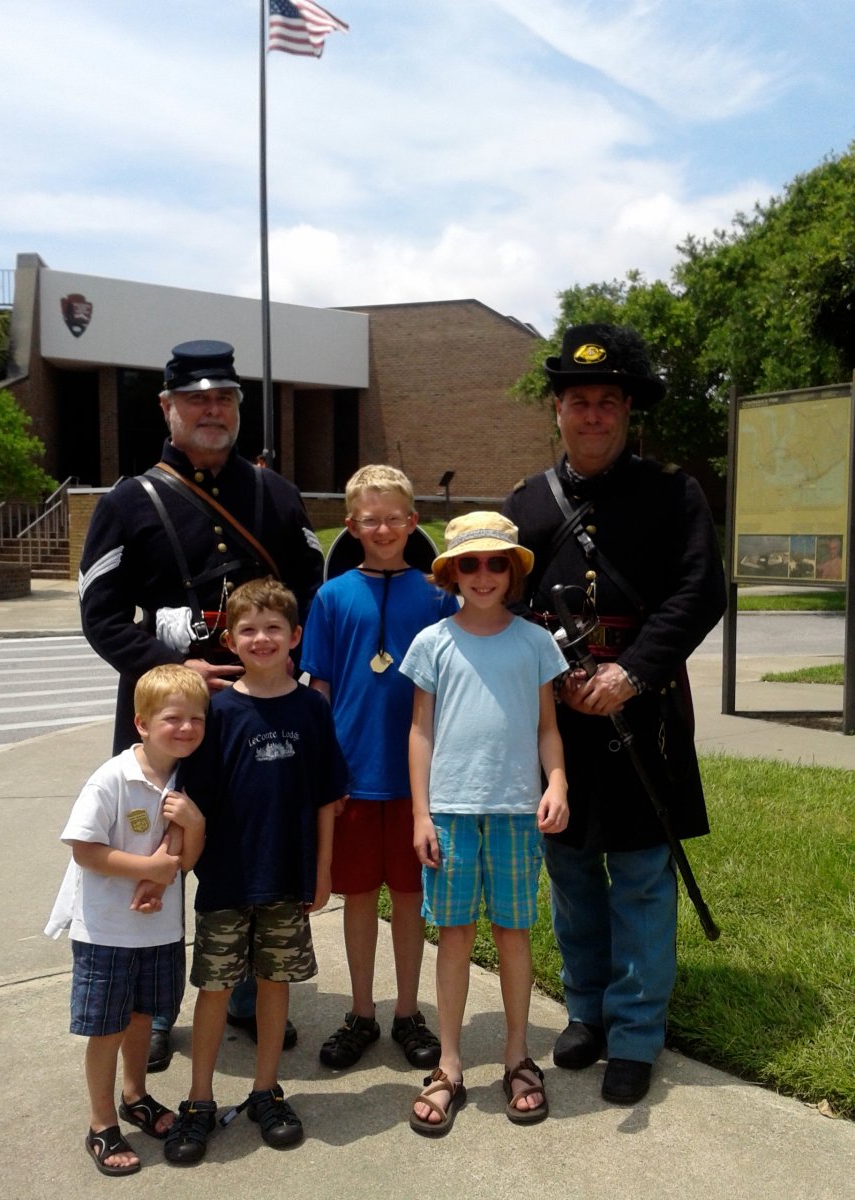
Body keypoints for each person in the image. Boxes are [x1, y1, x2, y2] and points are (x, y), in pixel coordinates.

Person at [79, 339, 324, 1070]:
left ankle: (247, 990)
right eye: (196, 399)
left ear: (238, 408)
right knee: (154, 854)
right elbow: (100, 612)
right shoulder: (128, 501)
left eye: (223, 399)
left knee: (248, 844)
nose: (211, 410)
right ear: (167, 408)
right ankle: (151, 1007)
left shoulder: (274, 496)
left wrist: (287, 672)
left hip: (257, 709)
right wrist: (171, 667)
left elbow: (312, 591)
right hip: (168, 716)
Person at [501, 323, 726, 1105]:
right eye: (577, 401)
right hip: (557, 721)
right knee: (569, 870)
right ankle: (588, 1010)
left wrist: (630, 673)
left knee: (637, 873)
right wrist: (552, 674)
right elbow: (499, 601)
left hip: (645, 711)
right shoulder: (526, 503)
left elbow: (700, 593)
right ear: (556, 410)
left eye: (606, 402)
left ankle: (636, 1032)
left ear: (627, 411)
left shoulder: (673, 493)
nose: (592, 415)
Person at [164, 579, 348, 1163]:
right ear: (229, 639)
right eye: (248, 629)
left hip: (287, 876)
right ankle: (198, 1101)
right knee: (215, 989)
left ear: (295, 636)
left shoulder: (313, 708)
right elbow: (192, 802)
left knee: (275, 984)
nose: (261, 638)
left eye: (274, 628)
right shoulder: (215, 712)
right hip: (225, 877)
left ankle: (266, 1089)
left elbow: (326, 798)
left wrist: (322, 872)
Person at [399, 513, 569, 1135]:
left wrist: (557, 782)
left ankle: (518, 1055)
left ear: (512, 571)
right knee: (454, 934)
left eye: (496, 562)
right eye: (469, 564)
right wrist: (420, 813)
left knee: (514, 933)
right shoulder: (433, 642)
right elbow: (420, 731)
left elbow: (548, 728)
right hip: (449, 811)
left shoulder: (534, 643)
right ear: (451, 574)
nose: (483, 574)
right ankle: (448, 1063)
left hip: (516, 814)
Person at [300, 465, 458, 1071]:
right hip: (353, 775)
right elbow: (319, 688)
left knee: (412, 897)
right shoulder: (332, 595)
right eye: (372, 519)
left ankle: (408, 1012)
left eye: (395, 518)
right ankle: (362, 1011)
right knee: (360, 895)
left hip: (422, 778)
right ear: (352, 525)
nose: (384, 528)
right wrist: (322, 774)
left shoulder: (439, 595)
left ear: (413, 522)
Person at [44, 664, 208, 1176]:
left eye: (196, 719)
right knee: (107, 1028)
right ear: (141, 723)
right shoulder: (113, 777)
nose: (185, 729)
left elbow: (190, 860)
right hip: (107, 929)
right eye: (172, 719)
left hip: (159, 930)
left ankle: (135, 1096)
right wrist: (151, 868)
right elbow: (84, 849)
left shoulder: (188, 777)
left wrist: (194, 825)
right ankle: (100, 1123)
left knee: (144, 1018)